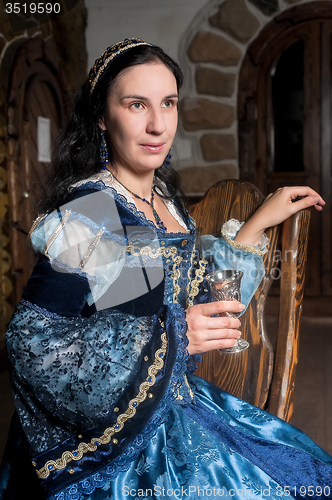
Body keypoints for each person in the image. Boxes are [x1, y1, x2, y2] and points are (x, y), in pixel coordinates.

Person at [0, 38, 331, 500]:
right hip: (115, 443)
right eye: (137, 104)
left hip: (169, 401)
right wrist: (174, 333)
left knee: (306, 475)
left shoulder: (156, 202)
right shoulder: (93, 212)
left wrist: (254, 226)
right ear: (101, 116)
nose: (158, 125)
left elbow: (152, 297)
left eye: (168, 103)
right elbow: (30, 344)